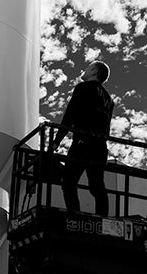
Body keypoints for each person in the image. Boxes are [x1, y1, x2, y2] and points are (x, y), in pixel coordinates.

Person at [50, 60, 116, 216]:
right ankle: (103, 219)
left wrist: (56, 141)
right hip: (100, 147)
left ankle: (74, 215)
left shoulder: (83, 88)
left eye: (88, 68)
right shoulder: (109, 99)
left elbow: (70, 115)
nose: (84, 71)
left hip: (82, 144)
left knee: (68, 182)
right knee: (96, 185)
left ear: (94, 72)